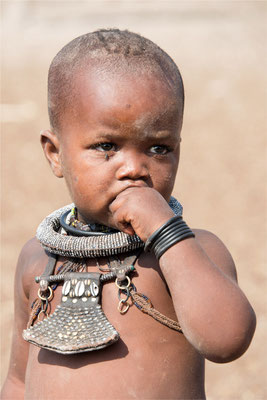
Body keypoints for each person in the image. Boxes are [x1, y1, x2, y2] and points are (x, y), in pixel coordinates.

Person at [1, 29, 256, 400]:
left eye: (158, 147)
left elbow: (227, 340)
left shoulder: (194, 251)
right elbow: (19, 381)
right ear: (55, 154)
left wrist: (166, 232)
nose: (134, 169)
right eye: (107, 147)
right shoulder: (37, 260)